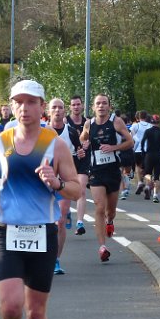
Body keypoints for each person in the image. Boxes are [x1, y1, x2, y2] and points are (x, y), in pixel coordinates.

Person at [0, 80, 80, 319]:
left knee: (36, 312)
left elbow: (76, 189)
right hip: (7, 230)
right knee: (10, 307)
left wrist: (57, 183)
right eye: (18, 102)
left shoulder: (55, 145)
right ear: (11, 106)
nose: (24, 108)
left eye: (31, 102)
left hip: (42, 232)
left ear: (41, 106)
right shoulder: (0, 142)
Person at [80, 94, 134, 262]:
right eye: (98, 103)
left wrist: (114, 147)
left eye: (104, 103)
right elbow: (82, 137)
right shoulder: (89, 124)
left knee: (110, 211)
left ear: (109, 107)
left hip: (113, 171)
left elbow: (130, 141)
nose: (101, 106)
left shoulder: (116, 122)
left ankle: (110, 221)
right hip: (96, 171)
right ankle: (102, 247)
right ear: (93, 107)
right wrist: (84, 143)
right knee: (99, 207)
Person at [46, 98, 81, 274]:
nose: (57, 110)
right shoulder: (41, 132)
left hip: (63, 182)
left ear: (64, 111)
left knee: (60, 221)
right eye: (54, 107)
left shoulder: (71, 132)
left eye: (60, 107)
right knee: (46, 222)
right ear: (48, 111)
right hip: (44, 182)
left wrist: (81, 155)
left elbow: (80, 152)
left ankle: (55, 260)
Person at [65, 96, 90, 235]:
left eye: (78, 104)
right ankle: (66, 211)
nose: (76, 107)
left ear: (82, 106)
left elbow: (93, 138)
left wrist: (88, 143)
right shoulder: (65, 122)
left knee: (81, 190)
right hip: (68, 159)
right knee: (66, 190)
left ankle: (80, 222)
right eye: (73, 104)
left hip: (83, 160)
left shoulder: (88, 123)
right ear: (70, 107)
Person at [139, 114, 160, 203]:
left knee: (147, 173)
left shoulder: (148, 131)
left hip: (149, 154)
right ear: (159, 122)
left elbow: (143, 142)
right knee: (157, 176)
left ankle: (148, 186)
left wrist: (143, 152)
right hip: (159, 155)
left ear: (151, 122)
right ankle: (155, 195)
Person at [129, 111, 153, 198]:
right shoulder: (150, 126)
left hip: (138, 149)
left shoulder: (135, 126)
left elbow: (130, 135)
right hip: (148, 150)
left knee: (138, 166)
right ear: (146, 117)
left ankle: (139, 182)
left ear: (138, 117)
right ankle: (147, 186)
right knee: (148, 169)